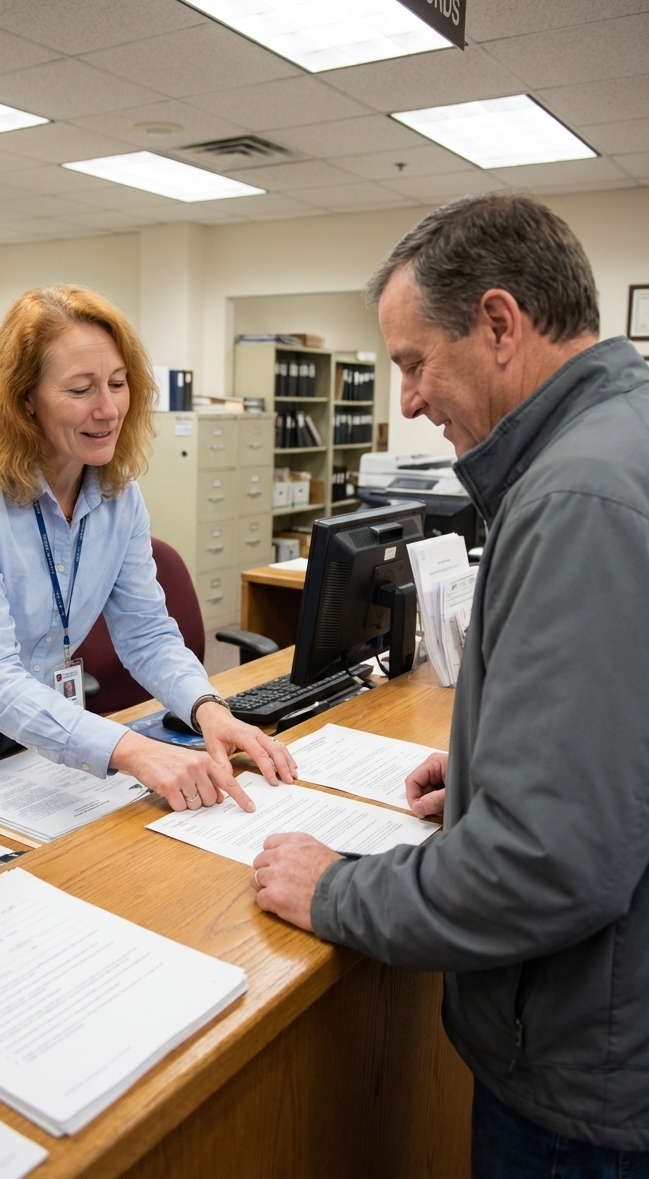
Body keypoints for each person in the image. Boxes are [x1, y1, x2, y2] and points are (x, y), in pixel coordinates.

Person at [251, 193, 649, 1176]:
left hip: (586, 1082)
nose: (410, 402)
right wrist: (492, 769)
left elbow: (552, 863)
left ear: (502, 325)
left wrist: (338, 890)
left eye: (414, 362)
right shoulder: (621, 440)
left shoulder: (579, 495)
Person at [0, 284, 295, 810]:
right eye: (81, 389)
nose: (109, 408)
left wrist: (209, 708)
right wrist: (133, 750)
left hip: (47, 729)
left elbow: (148, 633)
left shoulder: (118, 493)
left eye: (118, 383)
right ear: (25, 400)